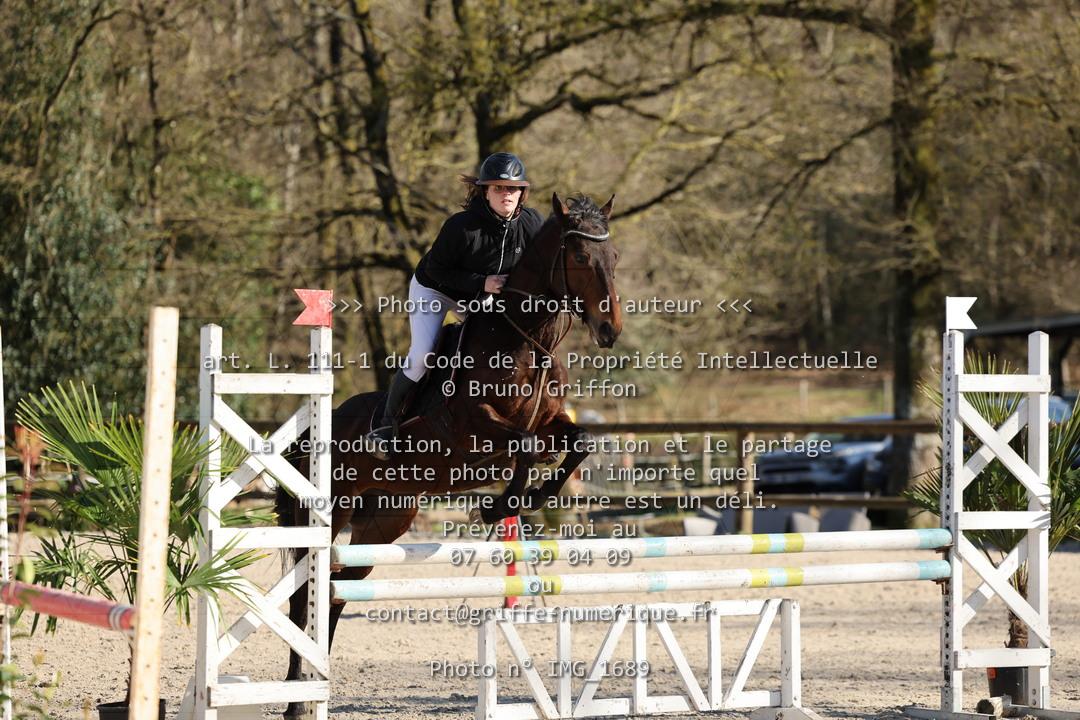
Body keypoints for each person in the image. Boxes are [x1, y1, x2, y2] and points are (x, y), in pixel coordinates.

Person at [366, 152, 545, 460]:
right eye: (498, 188)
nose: (506, 194)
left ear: (522, 193)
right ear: (485, 191)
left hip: (480, 297)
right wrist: (482, 283)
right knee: (423, 355)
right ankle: (385, 424)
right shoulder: (461, 227)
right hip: (435, 290)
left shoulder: (531, 224)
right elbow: (436, 270)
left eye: (512, 188)